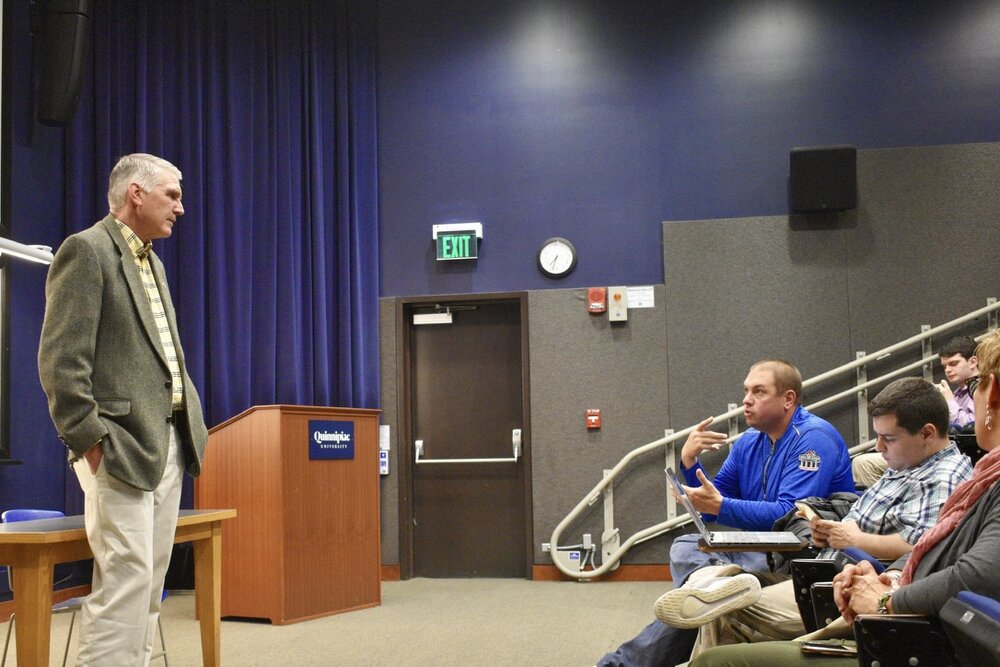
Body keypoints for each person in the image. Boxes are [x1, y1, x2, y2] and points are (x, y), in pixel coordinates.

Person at [688, 329, 1000, 667]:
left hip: (883, 609)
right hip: (852, 576)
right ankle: (717, 584)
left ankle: (717, 587)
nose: (878, 447)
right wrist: (689, 465)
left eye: (975, 385)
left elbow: (956, 566)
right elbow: (933, 553)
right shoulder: (918, 466)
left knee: (721, 620)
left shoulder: (950, 475)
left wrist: (883, 591)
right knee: (698, 567)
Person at [38, 153, 209, 665]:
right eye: (172, 195)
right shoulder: (86, 252)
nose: (180, 207)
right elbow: (61, 363)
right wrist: (91, 442)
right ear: (136, 193)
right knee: (126, 582)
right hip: (119, 446)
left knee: (149, 583)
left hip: (167, 442)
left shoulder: (150, 259)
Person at [597, 359, 853, 666]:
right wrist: (690, 463)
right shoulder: (749, 442)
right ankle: (714, 586)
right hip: (755, 549)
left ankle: (623, 660)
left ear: (788, 399)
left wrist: (717, 505)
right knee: (686, 545)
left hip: (794, 556)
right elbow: (713, 507)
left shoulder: (813, 438)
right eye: (746, 390)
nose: (746, 400)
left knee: (699, 606)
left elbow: (788, 514)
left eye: (759, 391)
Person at [853, 334, 980, 487]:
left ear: (973, 362)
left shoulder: (981, 390)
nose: (948, 370)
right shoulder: (957, 393)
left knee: (864, 463)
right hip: (932, 451)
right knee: (865, 461)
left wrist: (949, 401)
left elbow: (973, 431)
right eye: (945, 366)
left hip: (947, 455)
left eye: (953, 363)